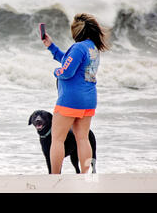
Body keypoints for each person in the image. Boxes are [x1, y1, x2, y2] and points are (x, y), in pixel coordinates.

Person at [41, 13, 109, 174]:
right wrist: (51, 46)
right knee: (82, 138)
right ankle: (86, 177)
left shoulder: (78, 47)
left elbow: (66, 71)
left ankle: (54, 177)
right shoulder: (92, 47)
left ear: (76, 31)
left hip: (70, 100)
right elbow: (69, 59)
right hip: (88, 99)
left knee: (57, 139)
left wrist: (56, 72)